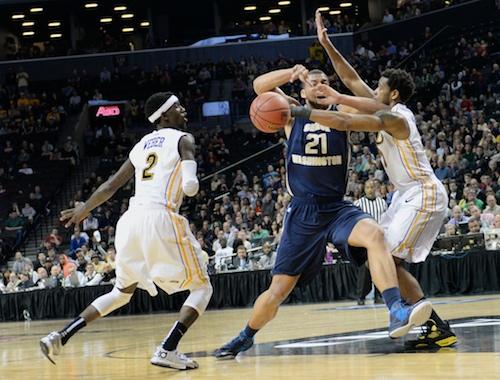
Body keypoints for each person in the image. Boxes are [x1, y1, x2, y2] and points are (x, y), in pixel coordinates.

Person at [214, 61, 431, 358]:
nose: (318, 86)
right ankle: (245, 335)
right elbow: (259, 87)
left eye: (323, 81)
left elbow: (374, 110)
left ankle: (395, 309)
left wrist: (341, 96)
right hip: (303, 213)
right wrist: (292, 73)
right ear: (303, 90)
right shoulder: (288, 112)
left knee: (375, 235)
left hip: (337, 208)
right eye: (312, 82)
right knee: (278, 291)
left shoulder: (344, 113)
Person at [286, 9, 456, 350]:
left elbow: (347, 123)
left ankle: (428, 323)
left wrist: (305, 110)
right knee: (378, 256)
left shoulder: (396, 118)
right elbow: (350, 80)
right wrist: (327, 44)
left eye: (378, 86)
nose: (372, 88)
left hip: (423, 193)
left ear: (392, 95)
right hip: (405, 196)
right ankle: (429, 323)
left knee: (389, 262)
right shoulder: (380, 106)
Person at [40, 92, 213, 370]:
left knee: (121, 292)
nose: (184, 110)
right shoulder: (184, 137)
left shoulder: (142, 144)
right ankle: (167, 349)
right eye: (178, 107)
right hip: (160, 217)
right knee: (203, 287)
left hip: (130, 221)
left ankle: (59, 336)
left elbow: (110, 186)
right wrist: (191, 181)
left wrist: (85, 207)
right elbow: (190, 171)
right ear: (164, 115)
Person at [354, 180, 387, 305]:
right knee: (365, 270)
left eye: (372, 187)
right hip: (365, 241)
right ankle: (360, 296)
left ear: (376, 188)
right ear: (364, 189)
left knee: (380, 268)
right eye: (367, 187)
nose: (370, 189)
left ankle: (379, 295)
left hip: (380, 240)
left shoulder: (382, 203)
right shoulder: (358, 203)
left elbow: (386, 221)